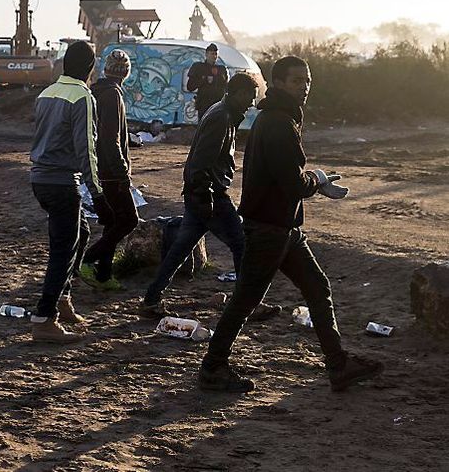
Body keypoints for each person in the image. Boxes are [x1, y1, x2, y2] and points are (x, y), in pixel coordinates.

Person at [198, 56, 383, 393]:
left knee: (317, 287)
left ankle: (338, 364)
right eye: (297, 81)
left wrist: (311, 181)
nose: (305, 87)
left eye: (307, 80)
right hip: (270, 228)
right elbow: (294, 184)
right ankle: (212, 367)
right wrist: (319, 179)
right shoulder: (279, 123)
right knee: (246, 300)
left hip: (282, 228)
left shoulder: (273, 119)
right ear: (279, 83)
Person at [140, 73, 259, 317]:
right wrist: (206, 199)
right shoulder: (221, 118)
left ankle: (151, 299)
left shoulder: (222, 113)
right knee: (241, 244)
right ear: (236, 93)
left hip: (201, 194)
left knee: (181, 249)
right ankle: (245, 303)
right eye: (249, 97)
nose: (251, 104)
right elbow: (201, 163)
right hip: (210, 194)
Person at [29, 41, 114, 343]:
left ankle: (63, 298)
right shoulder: (82, 96)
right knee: (63, 250)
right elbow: (86, 151)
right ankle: (44, 317)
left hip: (40, 178)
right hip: (62, 182)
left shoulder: (46, 93)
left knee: (82, 233)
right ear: (90, 67)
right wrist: (99, 195)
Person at [77, 49, 140, 291]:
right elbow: (110, 138)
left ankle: (103, 274)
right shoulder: (112, 95)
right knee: (129, 221)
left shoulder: (97, 92)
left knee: (113, 221)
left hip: (100, 167)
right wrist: (122, 171)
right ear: (126, 73)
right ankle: (87, 260)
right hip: (112, 171)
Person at [186, 43, 228, 121]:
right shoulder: (198, 67)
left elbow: (226, 87)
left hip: (218, 105)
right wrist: (203, 80)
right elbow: (190, 87)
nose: (214, 56)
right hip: (204, 104)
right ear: (206, 54)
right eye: (212, 54)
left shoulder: (222, 69)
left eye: (216, 54)